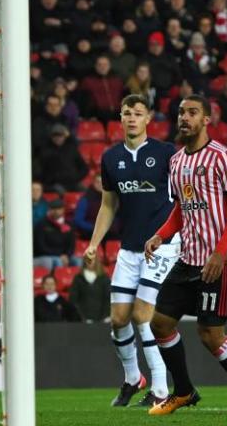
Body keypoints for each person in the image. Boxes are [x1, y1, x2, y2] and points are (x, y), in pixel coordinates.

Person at [145, 94, 227, 416]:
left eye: (192, 112)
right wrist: (161, 235)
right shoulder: (176, 161)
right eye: (181, 112)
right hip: (188, 258)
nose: (184, 117)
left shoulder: (222, 157)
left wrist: (219, 251)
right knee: (159, 323)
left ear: (206, 119)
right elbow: (180, 209)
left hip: (221, 261)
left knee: (210, 335)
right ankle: (184, 391)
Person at [83, 95, 177, 407]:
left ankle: (161, 390)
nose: (132, 118)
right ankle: (133, 378)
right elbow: (108, 204)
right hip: (129, 248)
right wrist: (95, 243)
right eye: (127, 113)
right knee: (118, 319)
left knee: (142, 315)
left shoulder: (166, 153)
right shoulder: (111, 158)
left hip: (161, 246)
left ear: (148, 118)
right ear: (121, 119)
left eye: (138, 113)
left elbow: (182, 200)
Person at [69, 254, 111, 323]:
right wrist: (82, 318)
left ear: (97, 261)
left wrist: (105, 317)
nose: (90, 261)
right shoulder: (78, 278)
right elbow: (73, 300)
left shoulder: (104, 278)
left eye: (92, 259)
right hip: (82, 321)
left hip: (102, 320)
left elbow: (108, 299)